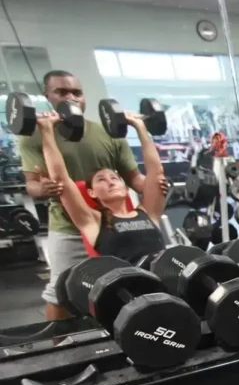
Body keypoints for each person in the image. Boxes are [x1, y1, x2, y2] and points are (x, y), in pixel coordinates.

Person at [19, 71, 162, 320]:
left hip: (115, 222)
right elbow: (42, 184)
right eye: (62, 93)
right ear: (47, 96)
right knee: (58, 291)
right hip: (70, 224)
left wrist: (155, 184)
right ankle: (59, 345)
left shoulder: (108, 134)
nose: (71, 98)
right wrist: (45, 186)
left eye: (76, 92)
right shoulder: (34, 137)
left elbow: (140, 178)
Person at [36, 107, 167, 266]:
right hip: (132, 285)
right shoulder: (93, 221)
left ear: (125, 188)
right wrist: (47, 130)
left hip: (166, 279)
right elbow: (61, 180)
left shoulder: (148, 211)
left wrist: (140, 126)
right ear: (91, 192)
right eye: (101, 180)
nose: (110, 181)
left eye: (114, 178)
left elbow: (156, 172)